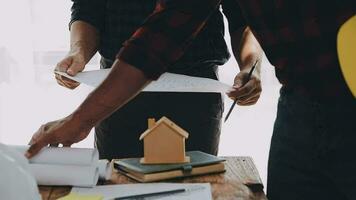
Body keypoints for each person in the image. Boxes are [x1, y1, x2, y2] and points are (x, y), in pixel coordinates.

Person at [28, 0, 355, 198]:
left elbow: (240, 22)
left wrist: (251, 66)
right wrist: (79, 121)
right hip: (298, 104)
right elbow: (162, 35)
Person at [27, 0, 262, 159]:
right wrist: (78, 52)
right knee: (115, 184)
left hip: (195, 90)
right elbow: (88, 7)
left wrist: (252, 66)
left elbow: (244, 17)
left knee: (193, 183)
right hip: (114, 91)